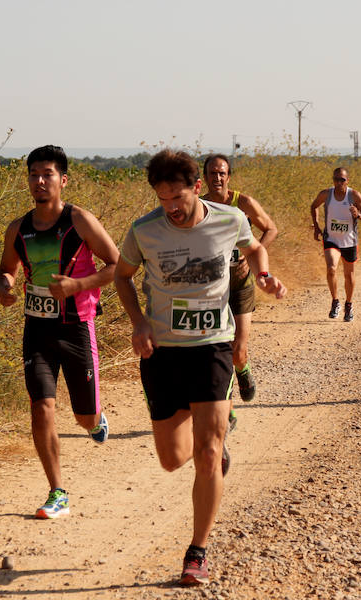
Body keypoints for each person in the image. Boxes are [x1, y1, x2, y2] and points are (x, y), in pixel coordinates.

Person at [114, 149, 286, 586]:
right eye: (162, 197)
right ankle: (209, 433)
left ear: (196, 187)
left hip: (212, 347)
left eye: (177, 196)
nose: (170, 206)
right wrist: (138, 323)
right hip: (163, 352)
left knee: (207, 454)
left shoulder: (229, 219)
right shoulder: (145, 231)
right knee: (173, 459)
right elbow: (122, 276)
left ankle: (197, 552)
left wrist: (264, 276)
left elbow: (253, 250)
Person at [0, 145, 120, 519]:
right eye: (33, 174)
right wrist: (4, 286)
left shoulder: (80, 220)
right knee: (41, 406)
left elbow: (118, 266)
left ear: (62, 180)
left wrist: (78, 286)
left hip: (77, 327)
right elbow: (6, 270)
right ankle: (57, 491)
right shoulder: (18, 228)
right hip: (38, 329)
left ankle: (96, 419)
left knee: (84, 417)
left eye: (47, 174)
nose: (39, 181)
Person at [202, 154, 278, 407]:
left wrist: (253, 252)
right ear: (205, 177)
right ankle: (227, 406)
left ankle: (243, 370)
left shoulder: (242, 203)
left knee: (238, 351)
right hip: (213, 289)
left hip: (242, 284)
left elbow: (271, 228)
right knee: (217, 351)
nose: (217, 178)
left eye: (222, 173)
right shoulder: (199, 207)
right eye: (212, 173)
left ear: (229, 176)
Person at [310, 167, 361, 321]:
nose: (339, 183)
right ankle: (335, 301)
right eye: (336, 179)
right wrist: (317, 226)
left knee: (348, 274)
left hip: (349, 240)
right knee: (331, 269)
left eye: (342, 180)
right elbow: (314, 206)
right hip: (331, 239)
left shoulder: (354, 195)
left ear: (347, 180)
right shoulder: (326, 194)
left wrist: (358, 215)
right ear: (333, 180)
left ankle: (349, 305)